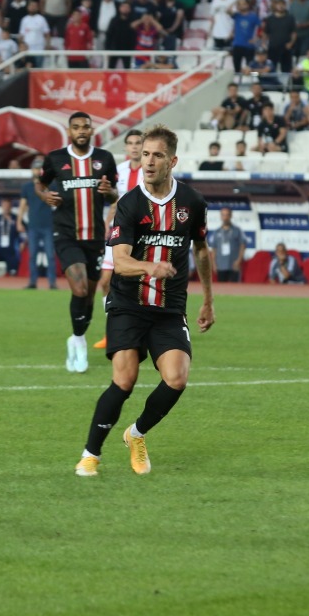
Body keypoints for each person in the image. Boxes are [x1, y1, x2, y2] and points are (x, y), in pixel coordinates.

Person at [74, 124, 213, 478]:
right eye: (146, 155)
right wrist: (150, 266)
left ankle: (136, 434)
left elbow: (201, 249)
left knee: (177, 379)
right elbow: (120, 260)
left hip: (169, 308)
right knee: (124, 380)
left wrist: (208, 300)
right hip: (128, 304)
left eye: (157, 156)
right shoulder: (130, 204)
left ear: (173, 161)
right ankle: (91, 454)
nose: (149, 162)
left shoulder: (193, 203)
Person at [35, 111, 119, 373]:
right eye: (76, 127)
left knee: (89, 296)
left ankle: (77, 336)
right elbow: (40, 183)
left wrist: (110, 192)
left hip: (94, 236)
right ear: (69, 132)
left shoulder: (104, 159)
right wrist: (44, 196)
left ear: (92, 130)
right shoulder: (56, 158)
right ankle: (80, 342)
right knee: (80, 288)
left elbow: (114, 193)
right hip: (66, 234)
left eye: (86, 126)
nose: (81, 130)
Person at [18, 166, 57, 290]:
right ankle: (32, 282)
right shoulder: (27, 187)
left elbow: (58, 201)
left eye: (39, 168)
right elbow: (23, 205)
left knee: (50, 255)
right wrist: (19, 221)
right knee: (32, 256)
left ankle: (52, 283)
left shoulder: (51, 185)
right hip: (33, 226)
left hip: (48, 225)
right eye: (35, 168)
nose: (36, 171)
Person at [209, 208, 245, 282]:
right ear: (221, 216)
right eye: (223, 215)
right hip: (221, 265)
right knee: (221, 289)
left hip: (234, 265)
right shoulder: (217, 232)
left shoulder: (237, 230)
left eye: (227, 215)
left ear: (231, 216)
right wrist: (214, 264)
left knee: (235, 289)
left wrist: (239, 260)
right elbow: (214, 249)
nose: (225, 217)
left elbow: (242, 246)